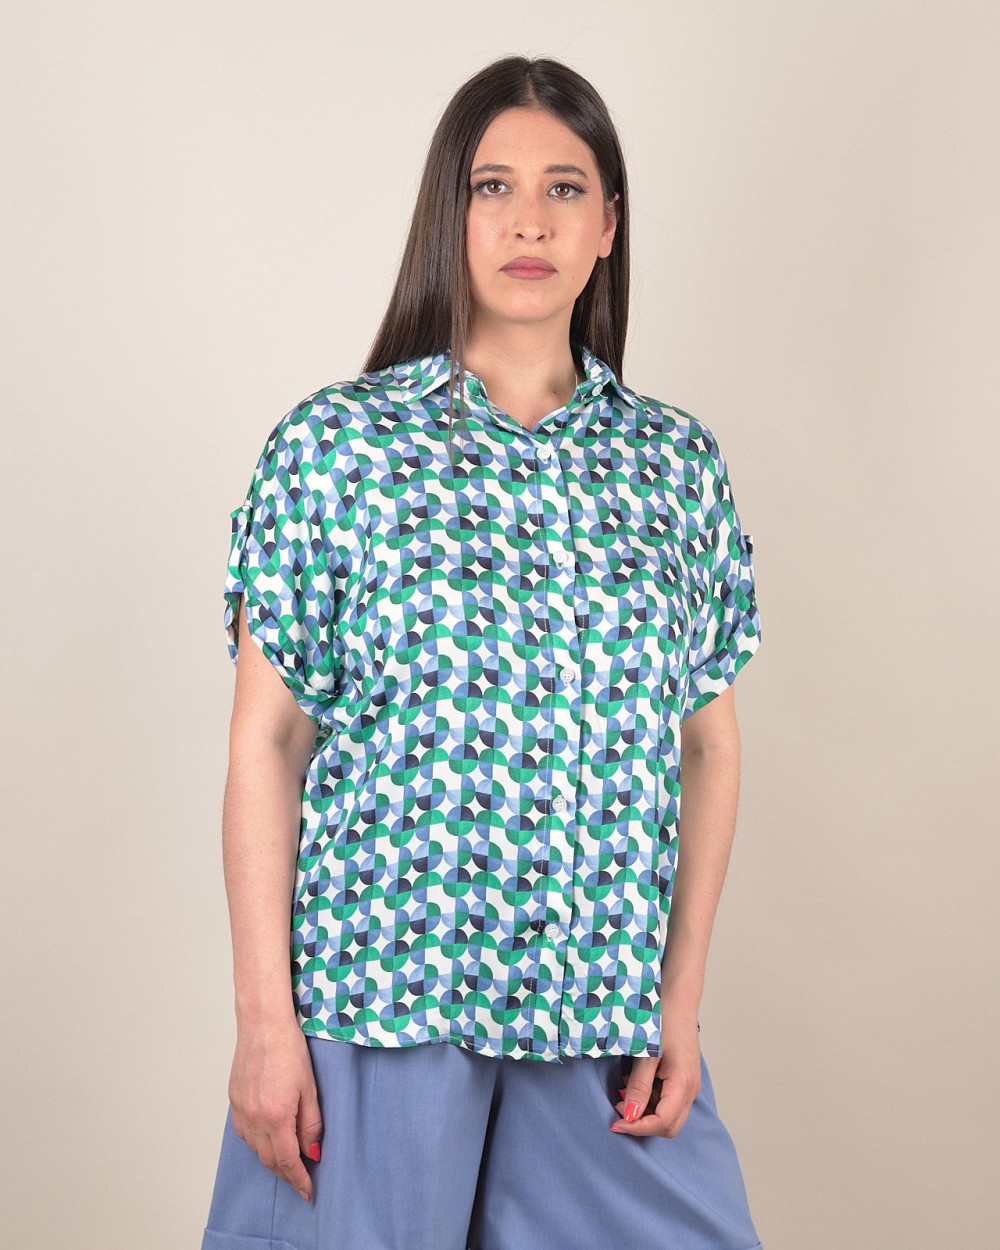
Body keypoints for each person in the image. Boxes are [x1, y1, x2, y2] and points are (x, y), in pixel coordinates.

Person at [201, 53, 764, 1250]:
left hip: (598, 1017)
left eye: (565, 189)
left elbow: (709, 747)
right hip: (380, 1003)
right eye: (492, 186)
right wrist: (264, 1022)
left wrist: (679, 1002)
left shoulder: (674, 466)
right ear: (447, 215)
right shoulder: (339, 448)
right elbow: (268, 739)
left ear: (608, 224)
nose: (528, 221)